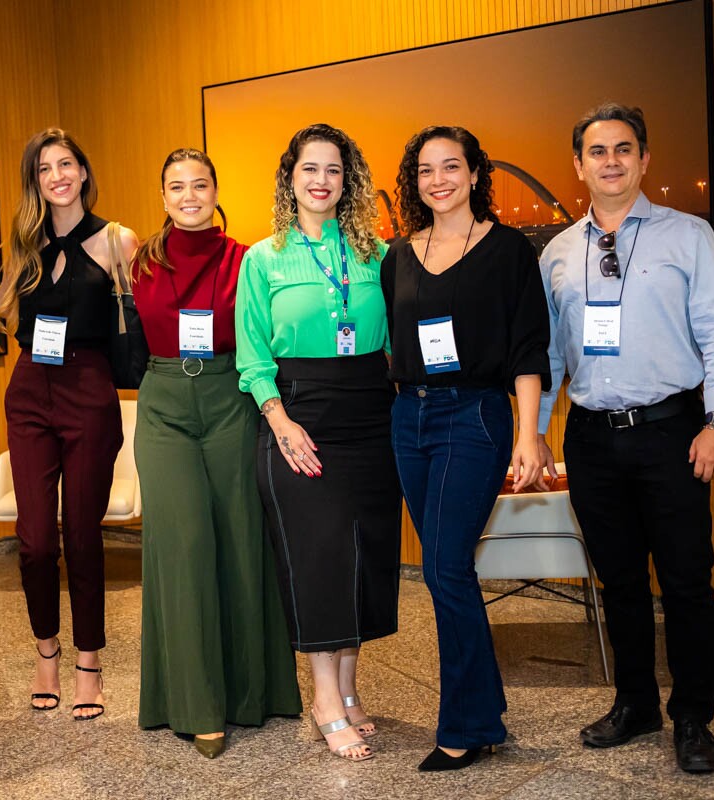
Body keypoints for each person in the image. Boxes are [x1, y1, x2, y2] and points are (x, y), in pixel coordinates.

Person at [536, 103, 714, 774]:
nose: (611, 161)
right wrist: (536, 433)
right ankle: (634, 704)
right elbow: (550, 353)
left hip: (673, 434)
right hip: (593, 439)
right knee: (618, 581)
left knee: (685, 582)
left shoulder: (689, 236)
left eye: (624, 149)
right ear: (579, 165)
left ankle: (691, 716)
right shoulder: (560, 252)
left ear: (644, 159)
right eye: (597, 152)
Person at [382, 126, 551, 772]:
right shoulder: (398, 255)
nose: (439, 180)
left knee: (444, 569)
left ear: (476, 173)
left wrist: (531, 433)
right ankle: (484, 717)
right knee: (449, 570)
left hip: (473, 417)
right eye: (426, 170)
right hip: (409, 418)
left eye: (452, 167)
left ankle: (462, 727)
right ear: (415, 181)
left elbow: (528, 348)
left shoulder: (507, 251)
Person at [236, 123, 401, 763]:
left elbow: (398, 339)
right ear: (290, 178)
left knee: (363, 551)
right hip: (299, 414)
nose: (321, 181)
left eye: (334, 170)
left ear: (348, 180)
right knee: (320, 553)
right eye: (310, 169)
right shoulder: (264, 257)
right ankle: (325, 699)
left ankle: (351, 690)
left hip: (369, 412)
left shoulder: (374, 254)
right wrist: (279, 421)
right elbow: (252, 351)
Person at [131, 148, 302, 759]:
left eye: (198, 184)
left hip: (231, 396)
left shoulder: (248, 259)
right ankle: (194, 703)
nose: (188, 196)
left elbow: (266, 335)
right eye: (175, 186)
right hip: (164, 402)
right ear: (163, 197)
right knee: (183, 545)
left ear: (215, 190)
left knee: (237, 536)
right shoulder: (139, 260)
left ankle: (253, 694)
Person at [0, 129, 135, 721]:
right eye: (44, 169)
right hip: (30, 387)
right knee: (35, 542)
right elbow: (6, 302)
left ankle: (89, 662)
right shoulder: (25, 243)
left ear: (84, 173)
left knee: (82, 536)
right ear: (34, 181)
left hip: (89, 391)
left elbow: (138, 313)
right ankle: (46, 652)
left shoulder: (117, 240)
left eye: (66, 164)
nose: (57, 175)